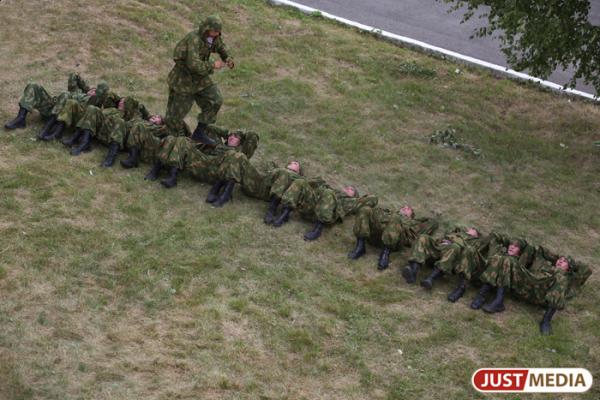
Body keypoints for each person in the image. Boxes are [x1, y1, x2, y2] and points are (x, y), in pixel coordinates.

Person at [165, 15, 234, 146]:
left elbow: (221, 46)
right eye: (214, 31)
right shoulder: (194, 40)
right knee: (174, 118)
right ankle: (170, 148)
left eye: (218, 32)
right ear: (206, 29)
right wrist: (213, 65)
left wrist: (227, 58)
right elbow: (193, 64)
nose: (217, 34)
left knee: (215, 100)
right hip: (183, 80)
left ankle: (200, 132)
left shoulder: (212, 37)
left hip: (199, 79)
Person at [514, 247, 592, 335]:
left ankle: (546, 320)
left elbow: (586, 270)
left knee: (561, 278)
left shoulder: (569, 279)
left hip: (543, 299)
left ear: (569, 268)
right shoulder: (546, 266)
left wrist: (571, 264)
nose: (560, 261)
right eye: (560, 260)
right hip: (528, 289)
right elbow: (541, 251)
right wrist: (557, 258)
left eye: (564, 262)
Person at [406, 226, 489, 302]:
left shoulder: (476, 241)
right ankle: (413, 269)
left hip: (454, 255)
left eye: (473, 229)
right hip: (440, 247)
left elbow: (471, 252)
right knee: (423, 237)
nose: (470, 229)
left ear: (476, 234)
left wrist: (454, 242)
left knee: (455, 247)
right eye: (471, 228)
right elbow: (444, 237)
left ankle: (431, 278)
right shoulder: (457, 233)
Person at [273, 181, 378, 241]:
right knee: (300, 182)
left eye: (351, 190)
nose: (347, 189)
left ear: (355, 196)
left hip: (327, 215)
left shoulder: (351, 202)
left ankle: (318, 229)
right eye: (346, 187)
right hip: (311, 208)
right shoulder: (330, 190)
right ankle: (285, 213)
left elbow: (373, 199)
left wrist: (360, 199)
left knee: (328, 193)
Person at [349, 205, 438, 270]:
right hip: (375, 235)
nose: (405, 207)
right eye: (404, 206)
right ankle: (360, 246)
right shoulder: (387, 212)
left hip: (395, 242)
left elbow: (433, 222)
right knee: (365, 209)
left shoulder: (413, 223)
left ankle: (385, 255)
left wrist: (416, 219)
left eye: (409, 209)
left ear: (411, 215)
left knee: (395, 218)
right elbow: (374, 213)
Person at [4, 73, 89, 139]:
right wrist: (89, 89)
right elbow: (74, 75)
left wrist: (92, 95)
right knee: (34, 85)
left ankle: (48, 128)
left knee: (65, 95)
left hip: (62, 116)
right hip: (52, 107)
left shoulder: (90, 100)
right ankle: (20, 118)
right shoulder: (77, 90)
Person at [71, 96, 151, 164]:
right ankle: (84, 143)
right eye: (120, 101)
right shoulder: (112, 110)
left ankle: (110, 158)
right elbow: (99, 115)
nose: (120, 103)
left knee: (120, 121)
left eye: (124, 102)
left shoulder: (133, 117)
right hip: (101, 133)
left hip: (116, 139)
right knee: (92, 109)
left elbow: (135, 127)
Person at [470, 234, 536, 313]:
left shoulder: (520, 261)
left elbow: (530, 249)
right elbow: (495, 235)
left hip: (514, 278)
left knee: (505, 260)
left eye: (515, 246)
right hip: (498, 276)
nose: (511, 247)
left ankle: (496, 298)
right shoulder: (502, 255)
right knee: (499, 258)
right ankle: (485, 295)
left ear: (520, 251)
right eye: (511, 245)